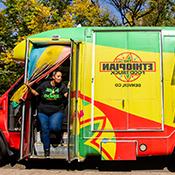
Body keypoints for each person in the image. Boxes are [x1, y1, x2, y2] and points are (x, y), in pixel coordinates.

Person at [26, 70, 68, 158]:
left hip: (57, 111)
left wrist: (70, 89)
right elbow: (36, 93)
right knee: (45, 129)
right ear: (53, 77)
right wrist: (29, 87)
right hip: (43, 111)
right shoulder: (45, 85)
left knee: (54, 127)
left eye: (61, 77)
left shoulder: (62, 86)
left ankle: (57, 134)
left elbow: (66, 94)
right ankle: (47, 152)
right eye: (58, 76)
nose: (60, 78)